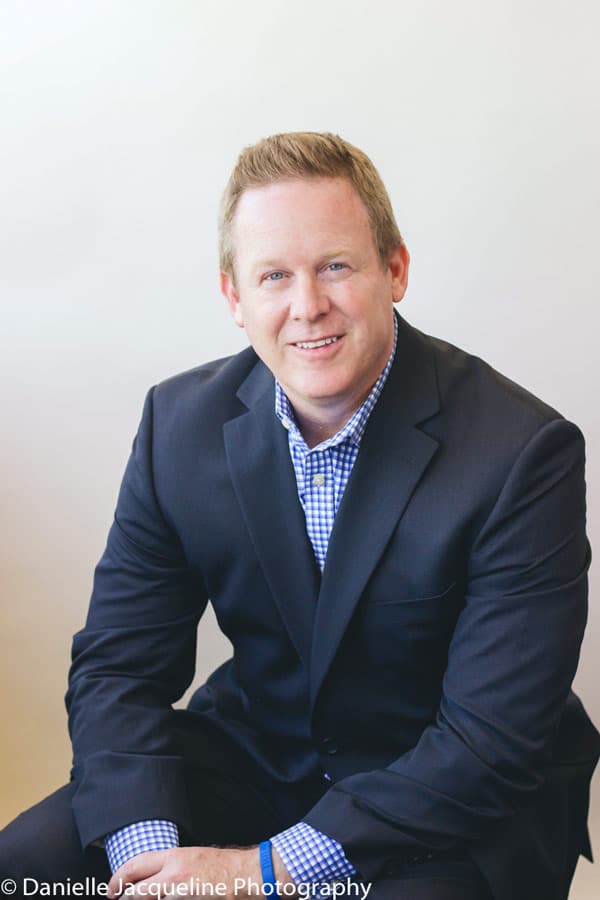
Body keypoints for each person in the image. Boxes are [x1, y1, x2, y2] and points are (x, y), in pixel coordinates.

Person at [1, 131, 598, 900]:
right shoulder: (177, 426)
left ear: (396, 269)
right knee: (24, 869)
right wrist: (147, 862)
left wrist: (260, 873)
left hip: (445, 805)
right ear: (234, 297)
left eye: (337, 266)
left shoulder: (523, 453)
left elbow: (488, 745)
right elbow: (119, 666)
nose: (307, 305)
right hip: (261, 757)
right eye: (274, 275)